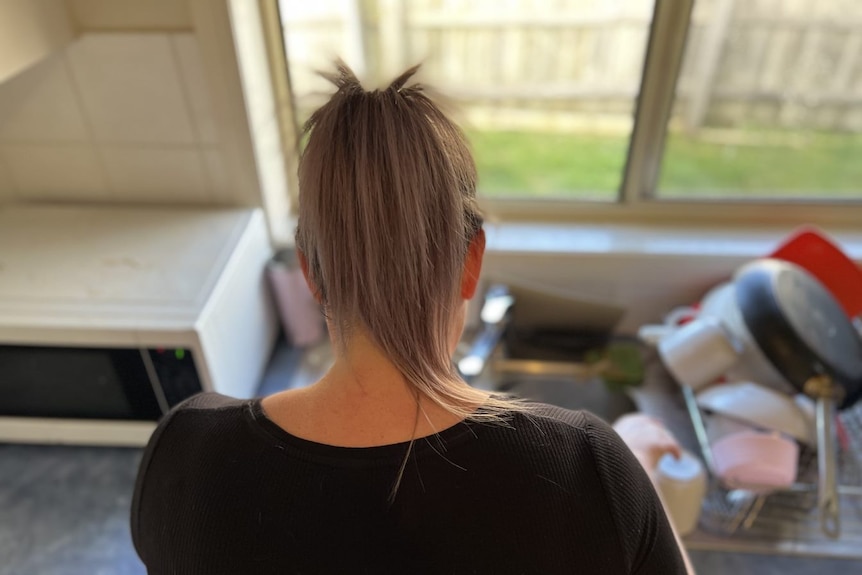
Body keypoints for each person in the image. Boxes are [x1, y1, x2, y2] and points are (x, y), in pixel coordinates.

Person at [131, 63, 690, 574]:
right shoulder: (584, 467)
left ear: (309, 274)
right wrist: (625, 482)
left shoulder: (187, 454)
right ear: (471, 262)